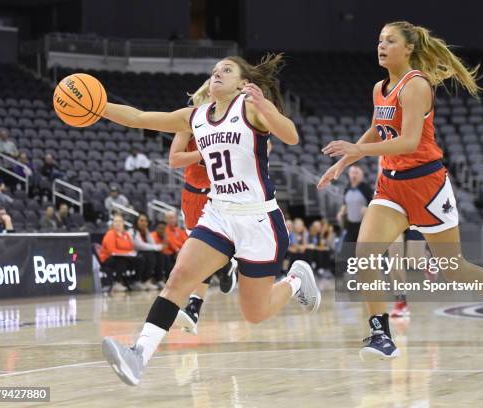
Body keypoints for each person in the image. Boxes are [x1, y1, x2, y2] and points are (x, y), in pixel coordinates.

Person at [99, 54, 321, 386]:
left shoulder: (249, 109)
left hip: (258, 220)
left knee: (254, 314)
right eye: (214, 70)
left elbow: (291, 136)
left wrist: (268, 107)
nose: (217, 74)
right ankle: (138, 356)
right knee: (177, 280)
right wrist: (97, 108)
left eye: (226, 70)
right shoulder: (197, 116)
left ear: (243, 83)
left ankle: (296, 281)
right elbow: (139, 117)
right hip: (218, 214)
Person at [318, 21, 483, 360]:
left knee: (452, 266)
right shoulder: (379, 88)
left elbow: (409, 141)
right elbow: (377, 128)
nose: (381, 46)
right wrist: (345, 161)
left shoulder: (416, 85)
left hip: (427, 186)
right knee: (363, 255)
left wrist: (358, 152)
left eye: (390, 40)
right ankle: (380, 333)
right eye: (379, 40)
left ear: (409, 48)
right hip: (391, 186)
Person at [169, 81, 238, 335]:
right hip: (192, 195)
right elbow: (174, 159)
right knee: (201, 256)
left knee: (203, 254)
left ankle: (193, 308)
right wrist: (202, 154)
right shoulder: (191, 120)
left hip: (220, 195)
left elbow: (266, 146)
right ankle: (226, 265)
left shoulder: (235, 120)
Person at [99, 213, 145, 292]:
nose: (118, 223)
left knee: (140, 259)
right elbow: (111, 251)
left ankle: (135, 281)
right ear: (113, 223)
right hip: (108, 258)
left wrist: (128, 253)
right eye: (115, 221)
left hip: (124, 257)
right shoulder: (110, 234)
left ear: (123, 223)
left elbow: (131, 248)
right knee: (121, 260)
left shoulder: (126, 234)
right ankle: (117, 283)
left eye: (120, 221)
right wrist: (126, 253)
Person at [337, 165, 373, 245]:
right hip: (350, 225)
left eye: (356, 173)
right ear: (349, 174)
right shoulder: (347, 188)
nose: (354, 175)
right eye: (352, 173)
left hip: (362, 226)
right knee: (347, 249)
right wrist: (341, 212)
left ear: (361, 175)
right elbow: (345, 203)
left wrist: (367, 209)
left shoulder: (366, 188)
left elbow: (372, 205)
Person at [131, 213, 166, 290]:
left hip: (143, 253)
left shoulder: (146, 232)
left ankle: (158, 279)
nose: (144, 223)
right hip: (133, 254)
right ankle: (139, 280)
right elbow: (139, 245)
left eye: (146, 221)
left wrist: (147, 232)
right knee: (148, 255)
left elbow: (152, 243)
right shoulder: (132, 231)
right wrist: (157, 247)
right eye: (141, 220)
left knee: (159, 255)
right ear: (136, 221)